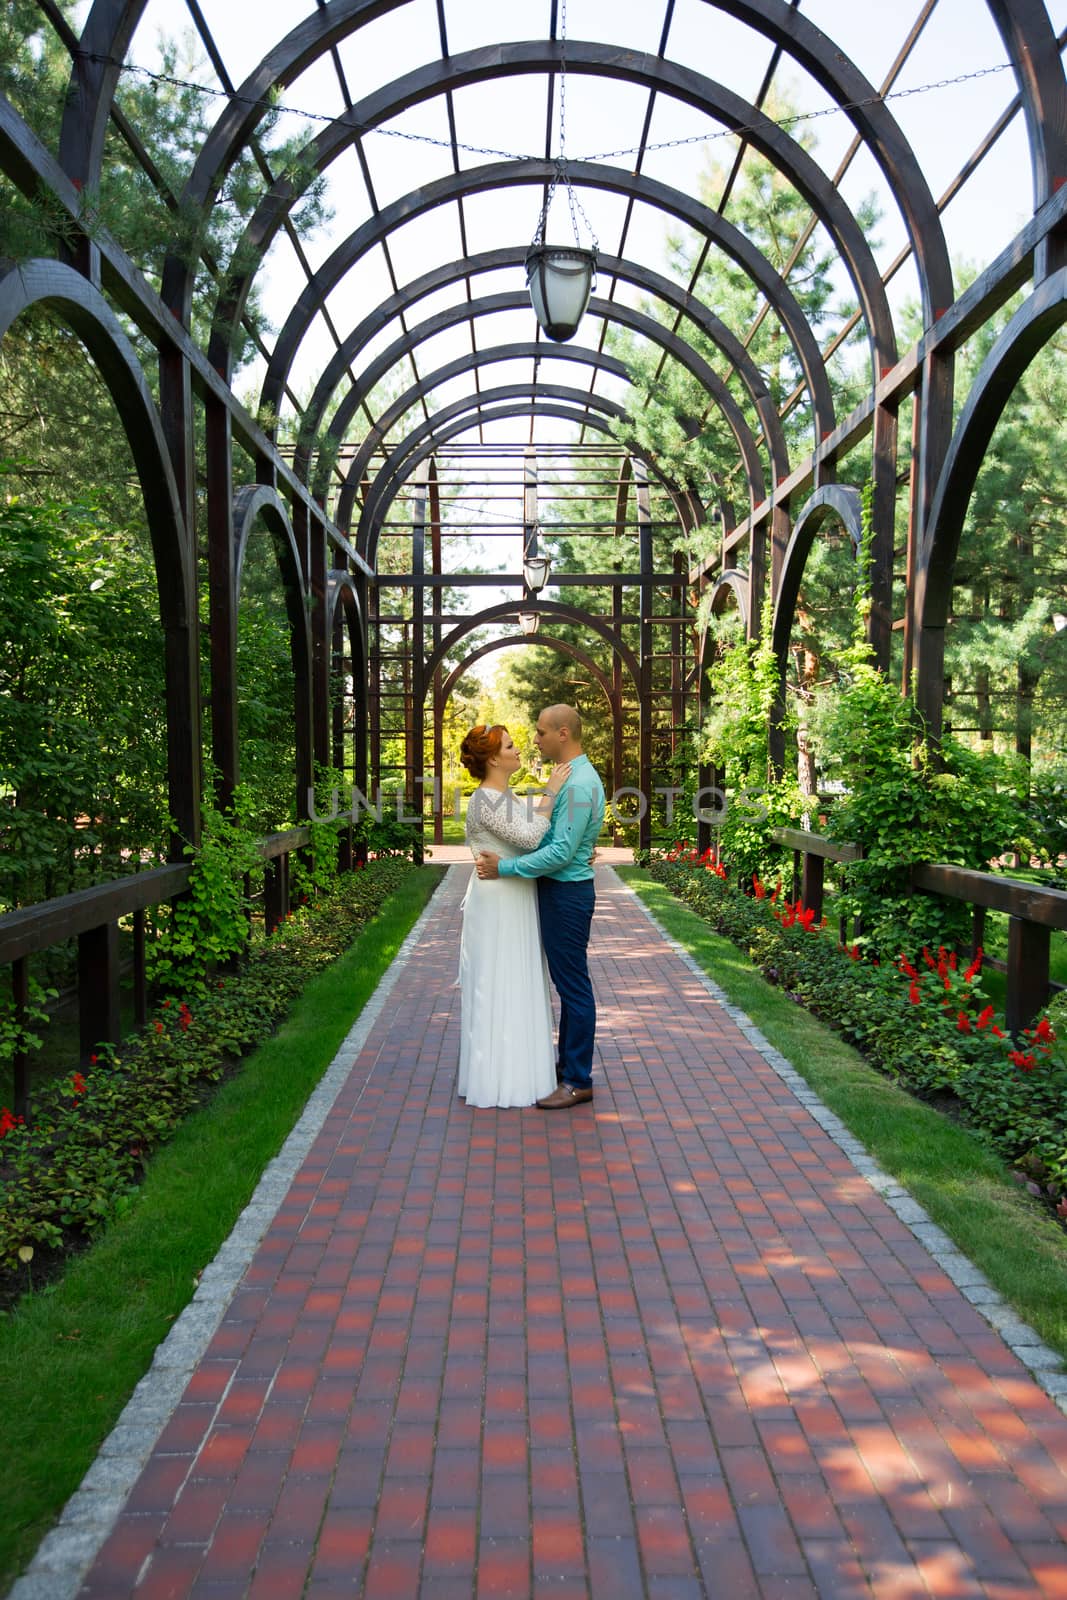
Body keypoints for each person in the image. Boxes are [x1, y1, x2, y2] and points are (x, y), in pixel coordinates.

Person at [476, 705, 605, 1110]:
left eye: (540, 732)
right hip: (560, 890)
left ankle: (578, 1079)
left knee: (573, 986)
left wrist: (506, 868)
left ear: (563, 734)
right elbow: (557, 839)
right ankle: (568, 1068)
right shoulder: (573, 779)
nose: (535, 739)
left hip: (567, 894)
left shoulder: (579, 783)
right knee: (568, 985)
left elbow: (564, 851)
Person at [457, 724, 572, 1108]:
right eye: (509, 746)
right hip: (498, 902)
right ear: (493, 758)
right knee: (499, 981)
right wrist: (551, 791)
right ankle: (497, 1078)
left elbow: (536, 832)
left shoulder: (505, 795)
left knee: (519, 979)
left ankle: (524, 1070)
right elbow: (528, 838)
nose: (517, 749)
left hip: (516, 896)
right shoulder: (484, 800)